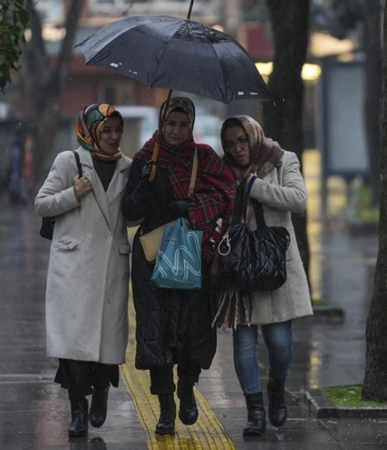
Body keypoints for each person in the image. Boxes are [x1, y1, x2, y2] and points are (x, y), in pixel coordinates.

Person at [121, 96, 235, 435]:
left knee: (192, 330)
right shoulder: (146, 158)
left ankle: (186, 388)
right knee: (157, 333)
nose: (175, 130)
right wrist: (144, 181)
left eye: (183, 124)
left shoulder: (206, 158)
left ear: (192, 126)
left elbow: (229, 194)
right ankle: (166, 405)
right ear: (161, 123)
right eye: (170, 123)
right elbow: (130, 213)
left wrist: (193, 207)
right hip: (153, 258)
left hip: (193, 255)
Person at [34, 103, 132, 438]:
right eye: (106, 130)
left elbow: (131, 217)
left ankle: (102, 391)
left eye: (118, 130)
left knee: (106, 339)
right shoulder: (68, 161)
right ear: (90, 131)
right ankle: (78, 408)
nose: (114, 137)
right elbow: (42, 203)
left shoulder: (128, 168)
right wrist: (73, 194)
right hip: (73, 265)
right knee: (73, 343)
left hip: (110, 264)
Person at [216, 115, 313, 436]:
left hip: (274, 266)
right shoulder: (221, 170)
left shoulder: (282, 160)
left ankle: (276, 388)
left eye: (242, 141)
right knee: (243, 344)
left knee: (280, 343)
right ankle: (255, 411)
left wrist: (257, 187)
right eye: (230, 144)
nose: (237, 149)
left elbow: (298, 201)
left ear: (254, 136)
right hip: (239, 270)